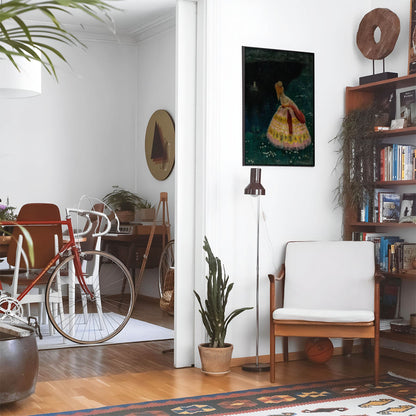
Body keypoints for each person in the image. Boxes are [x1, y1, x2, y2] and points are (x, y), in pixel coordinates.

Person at [266, 81, 311, 150]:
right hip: (285, 111)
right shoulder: (282, 96)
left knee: (289, 126)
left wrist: (292, 108)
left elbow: (289, 104)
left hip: (288, 111)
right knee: (283, 127)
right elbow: (287, 103)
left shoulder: (283, 96)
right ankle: (284, 142)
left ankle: (289, 143)